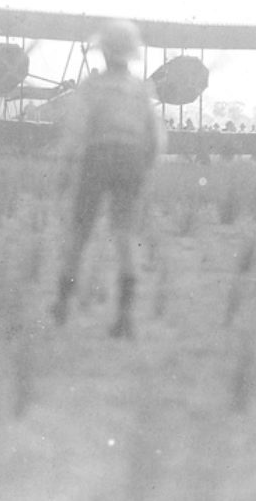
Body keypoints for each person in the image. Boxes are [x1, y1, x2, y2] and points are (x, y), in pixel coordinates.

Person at [51, 19, 163, 338]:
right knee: (125, 234)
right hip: (132, 161)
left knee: (80, 232)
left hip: (98, 156)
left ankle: (61, 303)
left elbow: (75, 131)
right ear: (131, 54)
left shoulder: (91, 87)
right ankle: (125, 315)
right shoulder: (141, 90)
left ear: (104, 53)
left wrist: (64, 169)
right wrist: (145, 169)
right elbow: (154, 138)